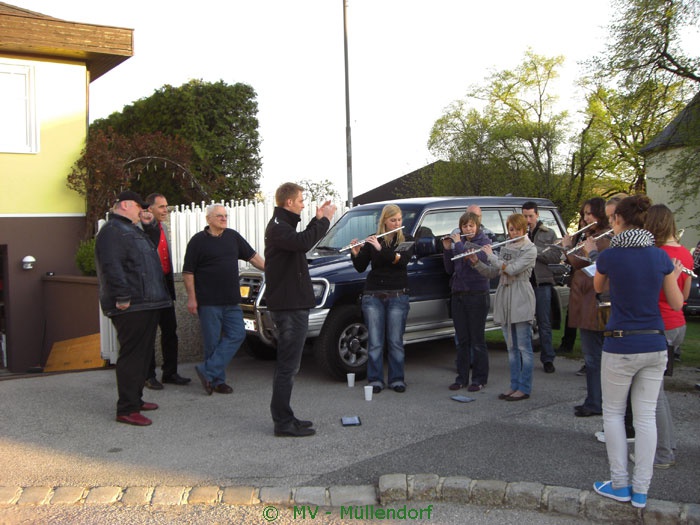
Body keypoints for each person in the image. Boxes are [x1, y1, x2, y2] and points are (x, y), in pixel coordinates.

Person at [592, 195, 684, 509]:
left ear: (618, 219)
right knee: (645, 418)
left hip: (621, 344)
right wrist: (673, 275)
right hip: (655, 344)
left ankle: (620, 484)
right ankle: (641, 491)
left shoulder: (610, 256)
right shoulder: (660, 257)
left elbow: (598, 287)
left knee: (614, 415)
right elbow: (676, 303)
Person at [265, 183, 336, 437]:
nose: (303, 205)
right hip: (289, 307)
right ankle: (282, 422)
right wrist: (324, 221)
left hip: (292, 305)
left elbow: (300, 240)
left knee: (289, 365)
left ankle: (286, 416)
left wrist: (316, 220)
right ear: (289, 203)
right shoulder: (278, 228)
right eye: (301, 200)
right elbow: (303, 243)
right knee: (288, 366)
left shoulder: (283, 226)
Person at [95, 191, 172, 426]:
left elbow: (147, 250)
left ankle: (135, 400)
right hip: (132, 304)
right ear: (126, 205)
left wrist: (149, 226)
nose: (143, 211)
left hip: (145, 302)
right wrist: (122, 296)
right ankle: (127, 409)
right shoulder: (112, 231)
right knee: (132, 356)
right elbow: (111, 265)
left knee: (142, 355)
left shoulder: (129, 229)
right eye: (140, 206)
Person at [182, 204, 264, 396]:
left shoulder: (232, 237)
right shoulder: (198, 241)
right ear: (208, 219)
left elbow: (253, 258)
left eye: (225, 215)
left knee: (238, 334)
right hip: (208, 303)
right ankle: (216, 382)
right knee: (211, 343)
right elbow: (188, 272)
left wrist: (273, 270)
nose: (224, 218)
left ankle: (207, 371)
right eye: (219, 216)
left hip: (232, 302)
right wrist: (192, 298)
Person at [640, 204, 693, 469]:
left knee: (654, 395)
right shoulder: (684, 252)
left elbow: (651, 292)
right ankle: (667, 445)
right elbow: (684, 297)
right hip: (677, 324)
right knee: (657, 391)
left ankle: (662, 453)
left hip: (660, 324)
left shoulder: (657, 254)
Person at [471, 213, 536, 401]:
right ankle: (514, 385)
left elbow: (512, 269)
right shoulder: (507, 247)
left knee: (523, 347)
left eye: (517, 229)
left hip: (520, 296)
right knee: (511, 347)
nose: (513, 233)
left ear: (524, 229)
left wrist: (491, 256)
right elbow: (493, 272)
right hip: (505, 295)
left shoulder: (530, 249)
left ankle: (524, 388)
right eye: (511, 229)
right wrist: (477, 263)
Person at [351, 204, 414, 394]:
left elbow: (400, 261)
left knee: (395, 341)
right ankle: (375, 380)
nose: (397, 223)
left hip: (398, 295)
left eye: (399, 220)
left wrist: (380, 249)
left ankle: (397, 379)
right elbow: (360, 267)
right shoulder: (373, 239)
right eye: (393, 220)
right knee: (375, 342)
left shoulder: (406, 240)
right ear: (385, 221)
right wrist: (355, 252)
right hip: (373, 295)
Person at [561, 197, 611, 417]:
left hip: (595, 302)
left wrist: (569, 247)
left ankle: (596, 402)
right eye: (584, 214)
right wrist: (571, 248)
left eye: (590, 214)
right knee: (591, 357)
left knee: (594, 358)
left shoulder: (605, 238)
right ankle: (593, 399)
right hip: (586, 300)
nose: (586, 218)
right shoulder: (590, 236)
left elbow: (582, 262)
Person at [141, 193, 191, 389]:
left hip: (165, 287)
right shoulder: (140, 230)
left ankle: (170, 373)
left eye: (166, 206)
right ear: (149, 208)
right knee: (149, 334)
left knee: (170, 331)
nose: (165, 210)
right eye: (161, 206)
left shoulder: (163, 227)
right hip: (148, 290)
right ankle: (148, 375)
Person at [441, 211, 491, 391]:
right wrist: (447, 250)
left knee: (477, 340)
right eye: (464, 226)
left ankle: (479, 379)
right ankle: (461, 378)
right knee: (462, 340)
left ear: (477, 227)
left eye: (471, 225)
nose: (468, 229)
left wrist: (458, 244)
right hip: (459, 294)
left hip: (477, 294)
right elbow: (449, 269)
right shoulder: (458, 244)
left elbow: (474, 261)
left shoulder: (484, 243)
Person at [522, 201, 561, 373]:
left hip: (542, 283)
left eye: (530, 216)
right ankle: (524, 358)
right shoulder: (519, 232)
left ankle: (548, 358)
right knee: (523, 322)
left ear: (537, 215)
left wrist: (531, 247)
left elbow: (554, 257)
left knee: (544, 323)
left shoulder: (549, 233)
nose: (528, 220)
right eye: (525, 216)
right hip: (523, 283)